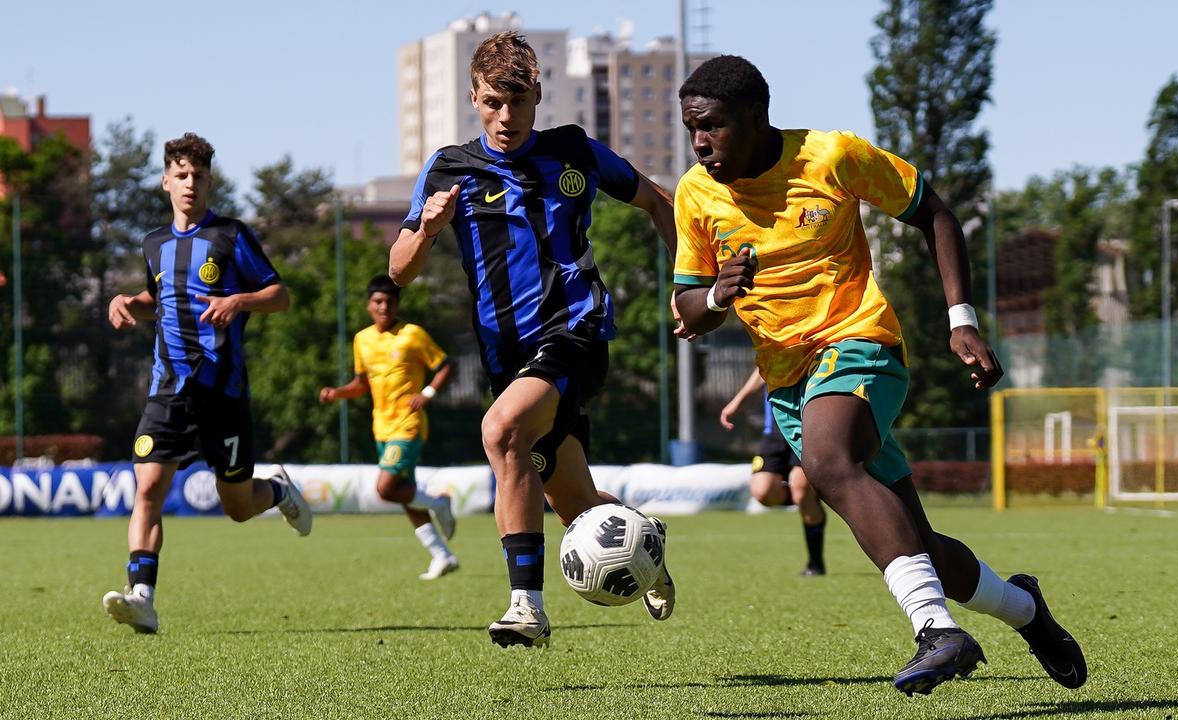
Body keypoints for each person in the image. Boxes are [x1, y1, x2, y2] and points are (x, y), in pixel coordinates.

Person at [672, 56, 1086, 696]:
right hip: (787, 379)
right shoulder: (695, 194)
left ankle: (935, 632)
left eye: (714, 126)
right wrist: (720, 297)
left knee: (825, 460)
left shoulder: (830, 156)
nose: (700, 141)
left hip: (858, 341)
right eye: (690, 128)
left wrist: (961, 319)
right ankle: (1027, 610)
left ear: (757, 118)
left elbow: (935, 214)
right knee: (920, 547)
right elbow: (689, 313)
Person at [388, 31, 680, 648]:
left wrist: (687, 285)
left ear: (538, 96)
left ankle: (527, 606)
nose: (506, 116)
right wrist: (427, 231)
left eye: (518, 101)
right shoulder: (448, 168)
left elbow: (658, 201)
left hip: (575, 330)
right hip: (508, 358)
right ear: (473, 97)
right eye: (494, 102)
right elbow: (398, 269)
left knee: (500, 431)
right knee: (573, 503)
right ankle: (644, 545)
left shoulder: (573, 151)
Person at [103, 133, 310, 634]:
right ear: (165, 181)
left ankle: (278, 492)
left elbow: (280, 296)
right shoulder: (153, 243)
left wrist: (238, 302)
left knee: (237, 508)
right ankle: (142, 597)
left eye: (198, 175)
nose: (190, 183)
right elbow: (163, 298)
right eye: (181, 174)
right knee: (148, 486)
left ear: (210, 180)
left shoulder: (232, 237)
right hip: (167, 391)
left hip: (223, 393)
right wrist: (130, 302)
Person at [319, 274, 459, 580]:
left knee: (385, 488)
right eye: (378, 301)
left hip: (408, 425)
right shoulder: (362, 339)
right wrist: (337, 393)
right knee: (401, 492)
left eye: (390, 302)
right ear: (368, 305)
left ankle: (439, 502)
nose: (384, 307)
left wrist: (427, 394)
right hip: (381, 427)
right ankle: (442, 555)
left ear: (397, 305)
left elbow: (447, 365)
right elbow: (361, 383)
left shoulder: (413, 334)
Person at [720, 368, 826, 575]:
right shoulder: (775, 343)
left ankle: (815, 564)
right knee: (763, 492)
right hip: (775, 431)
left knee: (801, 490)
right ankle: (807, 496)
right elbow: (762, 370)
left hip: (808, 427)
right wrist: (737, 401)